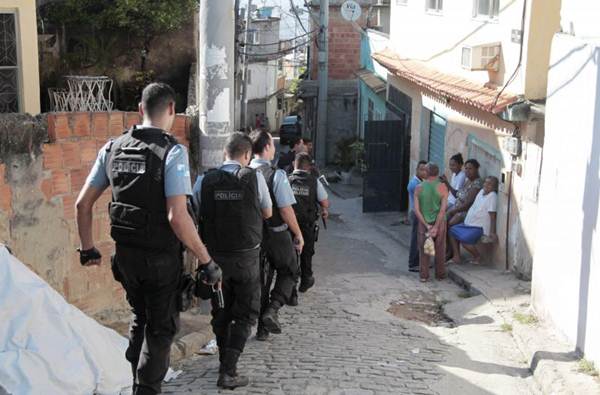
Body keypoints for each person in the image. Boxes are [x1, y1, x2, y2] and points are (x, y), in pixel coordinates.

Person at [75, 83, 221, 395]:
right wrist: (206, 260)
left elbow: (82, 204)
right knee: (161, 329)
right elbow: (177, 217)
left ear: (140, 110)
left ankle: (136, 382)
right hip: (160, 260)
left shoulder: (112, 147)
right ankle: (146, 389)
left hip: (126, 258)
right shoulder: (172, 152)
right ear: (171, 110)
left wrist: (88, 249)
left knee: (140, 319)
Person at [192, 132, 273, 389]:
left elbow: (195, 210)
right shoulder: (254, 178)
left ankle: (224, 364)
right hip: (246, 259)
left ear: (224, 153)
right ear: (247, 155)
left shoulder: (204, 181)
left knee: (221, 312)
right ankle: (229, 370)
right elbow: (268, 212)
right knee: (246, 313)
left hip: (213, 260)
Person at [249, 130, 304, 341]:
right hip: (276, 234)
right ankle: (272, 309)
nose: (274, 148)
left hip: (251, 236)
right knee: (290, 271)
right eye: (272, 144)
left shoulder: (243, 172)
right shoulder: (276, 175)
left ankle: (260, 327)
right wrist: (298, 233)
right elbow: (286, 209)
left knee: (261, 280)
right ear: (266, 148)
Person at [289, 152, 330, 295]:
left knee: (291, 256)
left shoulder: (287, 180)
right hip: (307, 225)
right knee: (306, 254)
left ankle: (291, 290)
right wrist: (324, 209)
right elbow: (325, 201)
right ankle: (305, 280)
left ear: (295, 164)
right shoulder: (314, 181)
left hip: (289, 226)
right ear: (309, 167)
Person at [448, 176, 499, 265]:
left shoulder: (492, 196)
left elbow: (492, 216)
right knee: (452, 230)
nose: (486, 185)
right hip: (468, 224)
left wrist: (492, 232)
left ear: (494, 188)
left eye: (490, 184)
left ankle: (478, 257)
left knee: (464, 240)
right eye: (486, 182)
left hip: (478, 227)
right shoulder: (481, 192)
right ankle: (456, 256)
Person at [414, 162, 449, 282]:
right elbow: (442, 210)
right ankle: (440, 275)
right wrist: (436, 226)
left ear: (426, 173)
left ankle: (424, 276)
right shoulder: (443, 187)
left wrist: (427, 225)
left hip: (424, 224)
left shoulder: (419, 188)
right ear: (437, 173)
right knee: (440, 249)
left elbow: (417, 210)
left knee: (424, 250)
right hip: (440, 223)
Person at [446, 159, 483, 226]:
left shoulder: (477, 183)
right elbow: (458, 194)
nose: (467, 171)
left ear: (476, 169)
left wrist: (454, 211)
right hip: (457, 207)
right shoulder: (468, 180)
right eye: (466, 168)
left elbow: (467, 205)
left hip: (464, 211)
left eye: (470, 169)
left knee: (448, 223)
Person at [407, 161, 428, 272]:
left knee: (419, 238)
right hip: (416, 214)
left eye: (426, 170)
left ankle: (418, 262)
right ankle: (413, 264)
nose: (424, 172)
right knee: (416, 239)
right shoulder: (415, 184)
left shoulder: (420, 182)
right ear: (417, 170)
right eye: (422, 169)